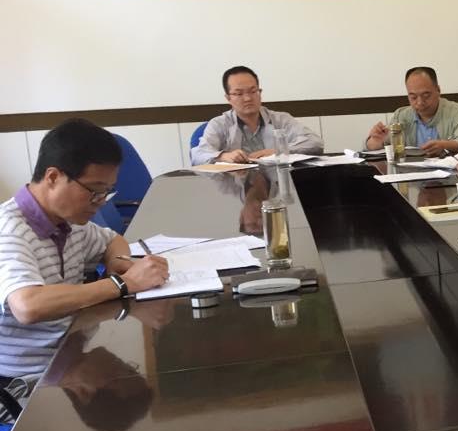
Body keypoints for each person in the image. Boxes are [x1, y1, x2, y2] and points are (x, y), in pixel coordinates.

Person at [0, 121, 170, 405]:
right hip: (27, 385)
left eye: (107, 192)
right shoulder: (9, 231)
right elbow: (28, 306)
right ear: (53, 177)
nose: (101, 202)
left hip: (71, 351)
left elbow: (112, 240)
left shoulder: (66, 221)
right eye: (95, 191)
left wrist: (118, 263)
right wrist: (122, 283)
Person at [192, 65, 324, 165]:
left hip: (276, 184)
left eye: (253, 91)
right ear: (228, 98)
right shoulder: (219, 124)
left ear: (259, 92)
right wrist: (223, 156)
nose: (248, 98)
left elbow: (315, 143)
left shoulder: (281, 119)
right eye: (239, 93)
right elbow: (198, 155)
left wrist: (277, 151)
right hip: (236, 185)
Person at [365, 66, 458, 156]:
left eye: (426, 95)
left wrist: (445, 145)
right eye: (413, 97)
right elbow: (378, 145)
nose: (420, 102)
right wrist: (376, 140)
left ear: (438, 90)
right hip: (411, 174)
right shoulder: (401, 115)